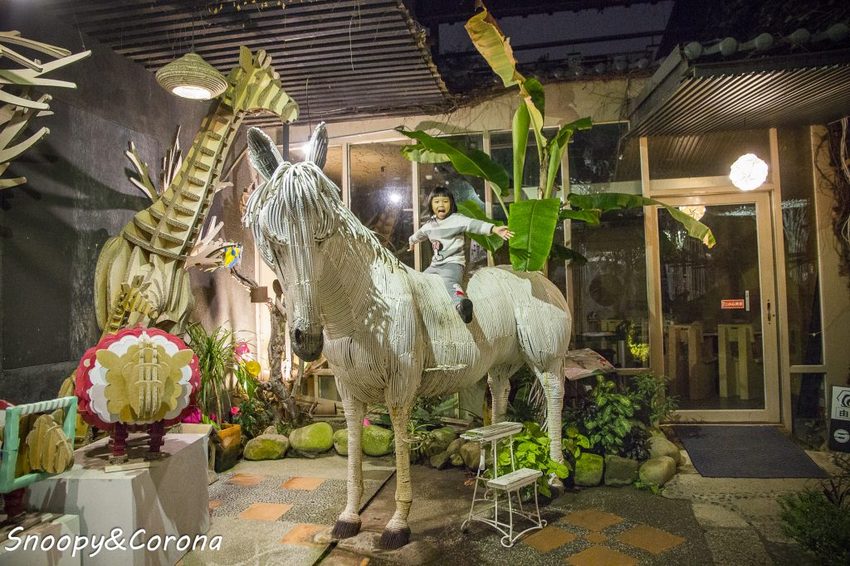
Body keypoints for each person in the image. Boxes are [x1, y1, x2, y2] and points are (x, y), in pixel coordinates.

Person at [408, 187, 513, 323]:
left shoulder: (457, 220)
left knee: (451, 283)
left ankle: (462, 306)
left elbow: (475, 225)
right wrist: (411, 242)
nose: (441, 205)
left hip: (453, 263)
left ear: (451, 204)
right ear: (431, 205)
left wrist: (494, 228)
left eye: (445, 201)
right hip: (435, 265)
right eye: (437, 201)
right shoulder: (430, 225)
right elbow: (419, 234)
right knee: (422, 280)